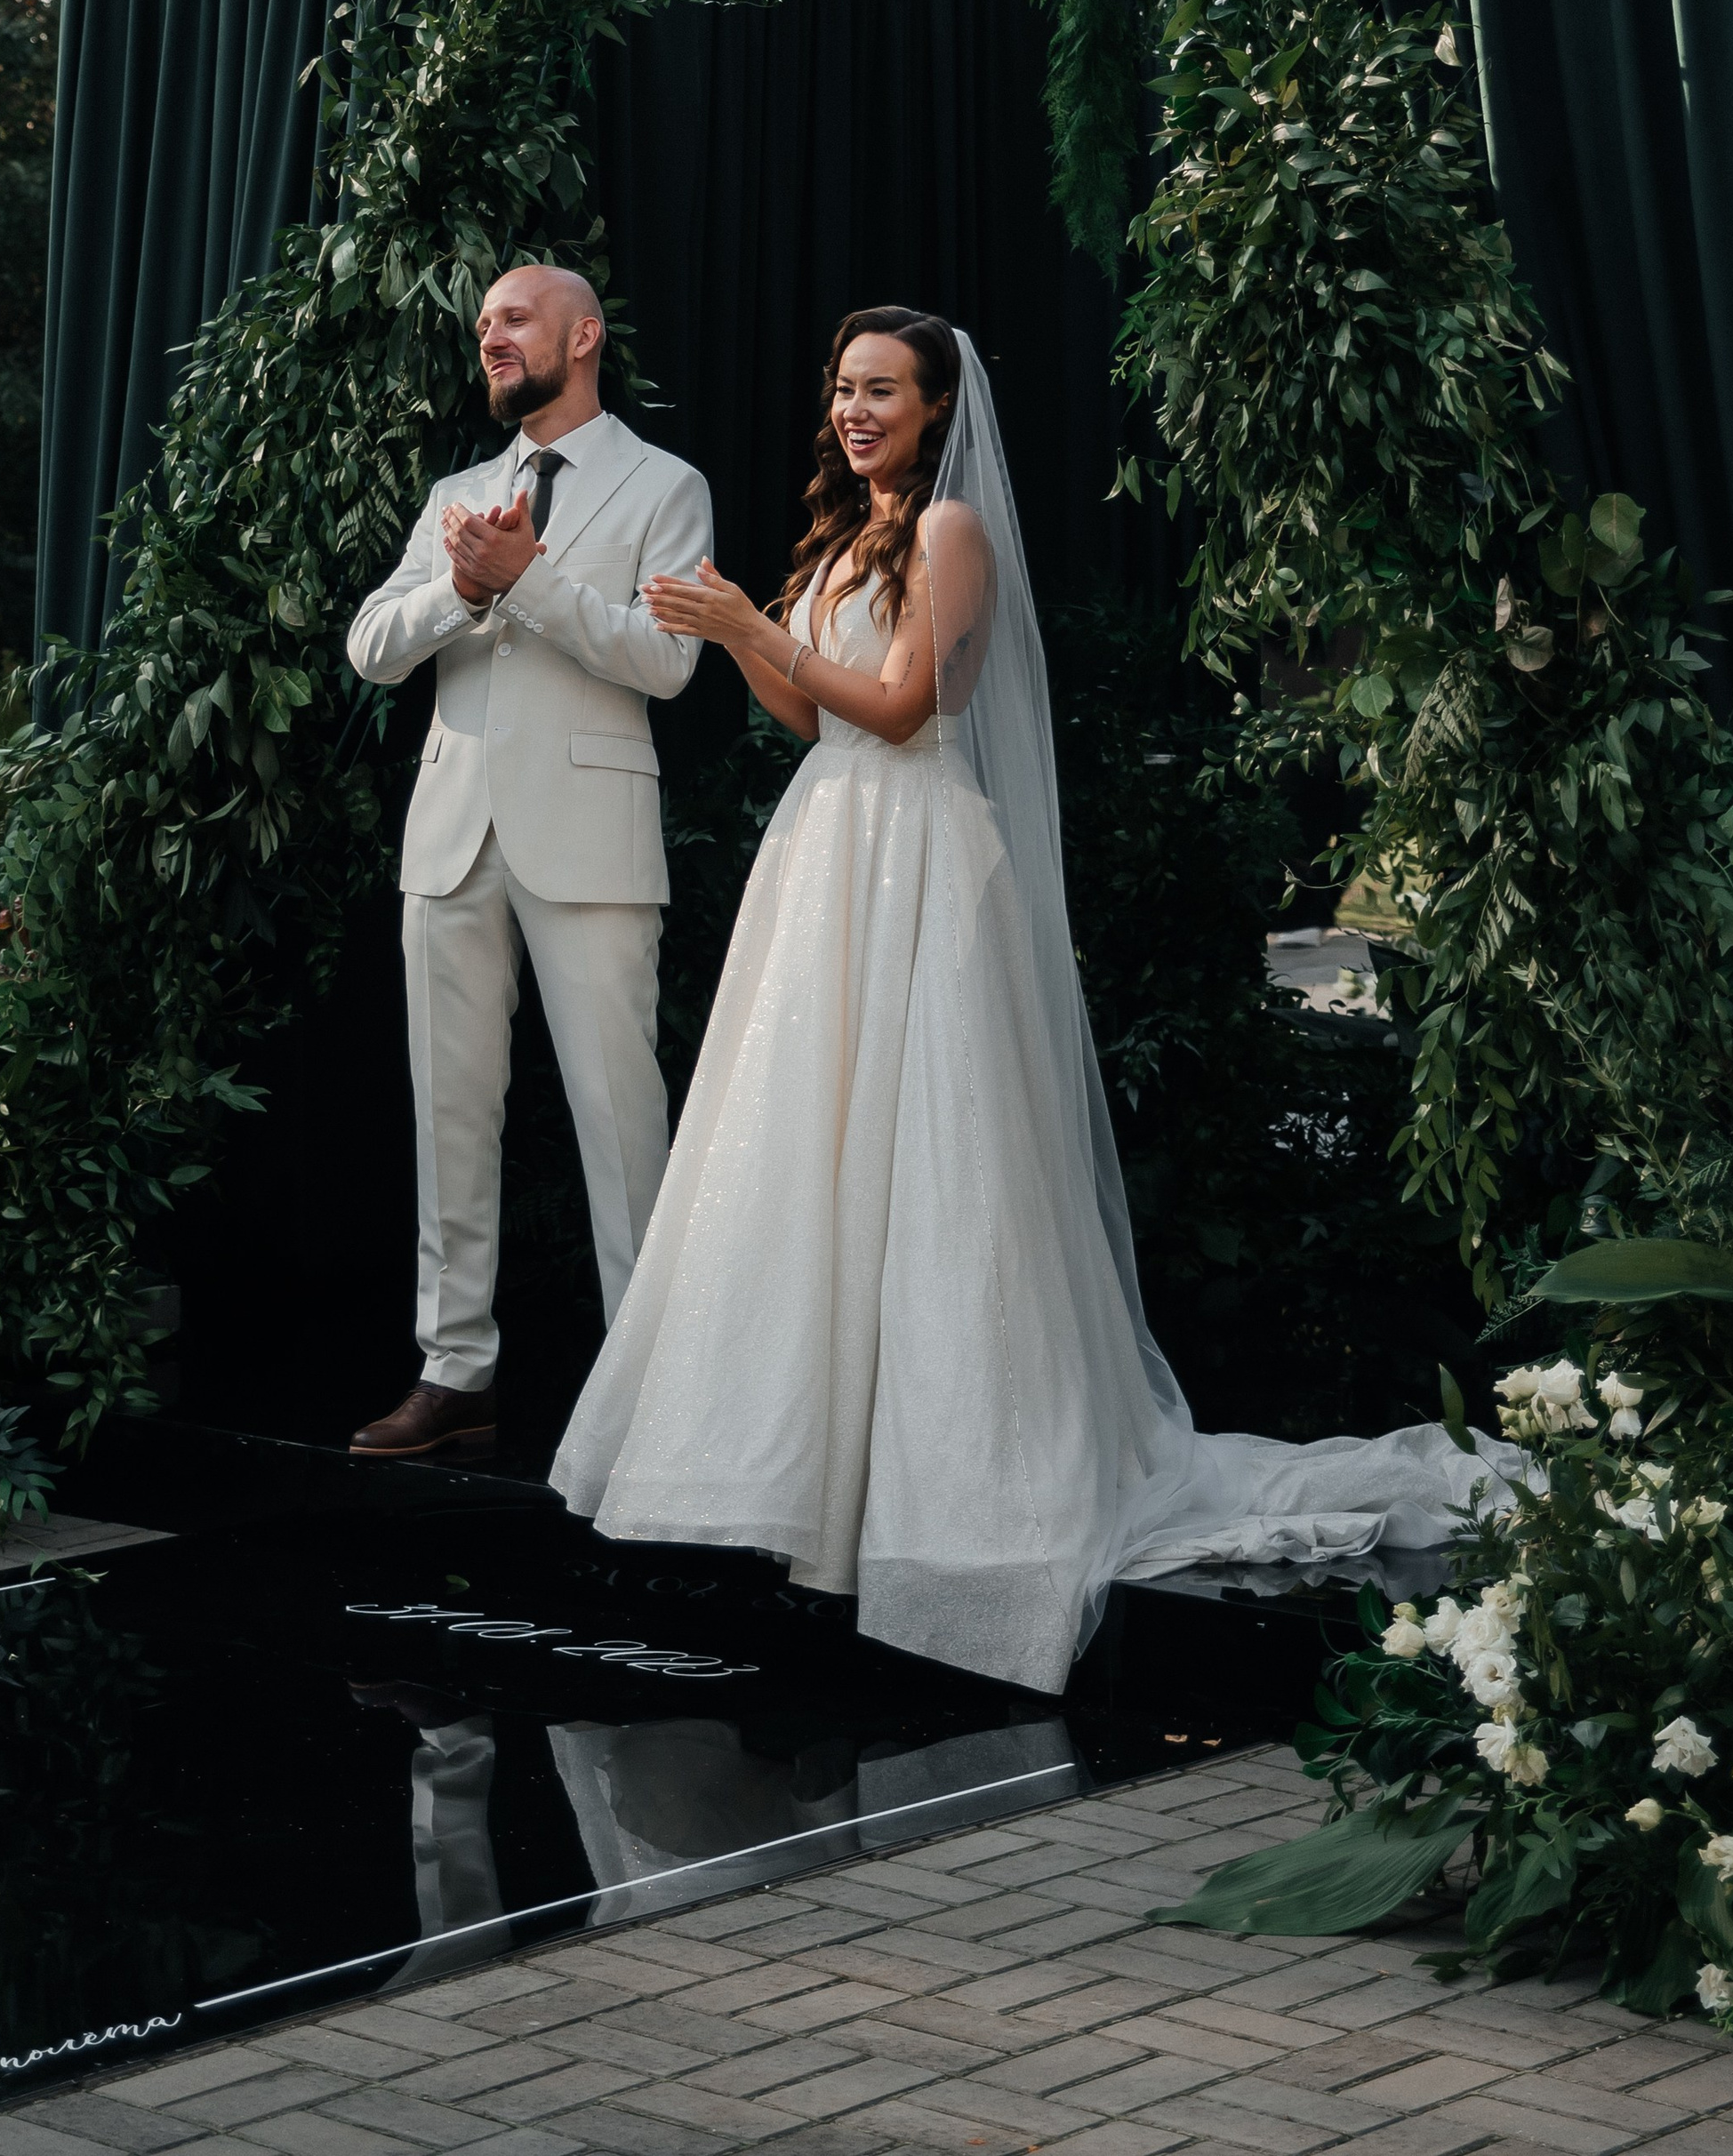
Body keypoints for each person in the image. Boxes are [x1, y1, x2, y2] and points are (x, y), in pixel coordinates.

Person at [551, 305, 1496, 1694]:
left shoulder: (949, 535)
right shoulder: (841, 534)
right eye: (843, 386)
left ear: (939, 408)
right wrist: (739, 639)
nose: (856, 408)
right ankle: (796, 1477)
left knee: (936, 1155)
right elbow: (811, 720)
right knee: (806, 1147)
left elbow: (902, 708)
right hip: (826, 852)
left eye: (883, 390)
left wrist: (753, 622)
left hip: (920, 852)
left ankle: (960, 1488)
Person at [344, 265, 714, 1460]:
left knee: (621, 1117)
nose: (490, 337)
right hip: (452, 841)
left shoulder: (667, 487)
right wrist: (460, 584)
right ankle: (455, 1374)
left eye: (512, 319)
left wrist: (534, 584)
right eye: (484, 325)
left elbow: (668, 664)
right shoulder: (457, 495)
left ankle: (654, 1386)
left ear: (584, 334)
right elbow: (370, 646)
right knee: (449, 1116)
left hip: (592, 844)